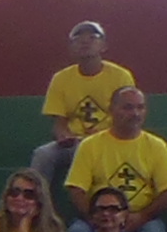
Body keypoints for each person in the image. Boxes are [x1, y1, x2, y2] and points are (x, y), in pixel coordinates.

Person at [29, 23, 136, 199]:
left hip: (110, 140)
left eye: (93, 38)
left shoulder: (121, 76)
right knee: (43, 154)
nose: (85, 42)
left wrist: (104, 133)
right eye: (78, 39)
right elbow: (59, 122)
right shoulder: (61, 78)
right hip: (75, 143)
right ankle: (34, 206)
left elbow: (128, 116)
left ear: (104, 46)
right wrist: (63, 135)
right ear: (71, 47)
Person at [65, 86, 167, 232]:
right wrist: (97, 217)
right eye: (128, 107)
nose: (135, 113)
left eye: (140, 107)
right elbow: (76, 189)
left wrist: (142, 216)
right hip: (98, 216)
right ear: (111, 110)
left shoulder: (157, 146)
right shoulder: (90, 145)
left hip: (140, 218)